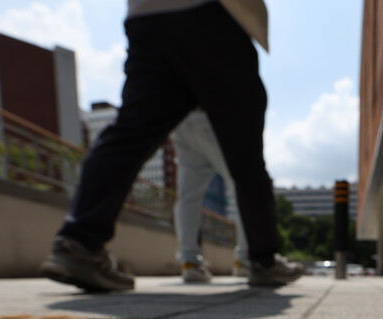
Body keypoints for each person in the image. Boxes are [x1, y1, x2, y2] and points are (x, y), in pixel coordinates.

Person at [41, 0, 302, 291]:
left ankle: (79, 241)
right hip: (209, 14)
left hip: (146, 15)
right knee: (245, 157)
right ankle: (262, 259)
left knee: (130, 135)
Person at [170, 109, 250, 283]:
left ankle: (189, 263)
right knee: (242, 188)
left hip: (180, 120)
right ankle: (245, 260)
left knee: (187, 196)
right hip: (211, 116)